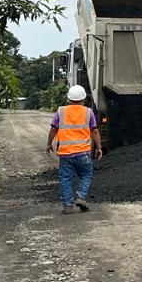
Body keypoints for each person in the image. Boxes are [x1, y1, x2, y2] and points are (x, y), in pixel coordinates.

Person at [45, 85, 103, 214]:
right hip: (83, 153)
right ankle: (81, 197)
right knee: (86, 175)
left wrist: (49, 144)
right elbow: (94, 131)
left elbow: (53, 128)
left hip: (65, 154)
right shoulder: (88, 112)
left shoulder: (61, 111)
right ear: (83, 99)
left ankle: (67, 206)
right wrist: (99, 147)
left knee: (65, 179)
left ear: (68, 98)